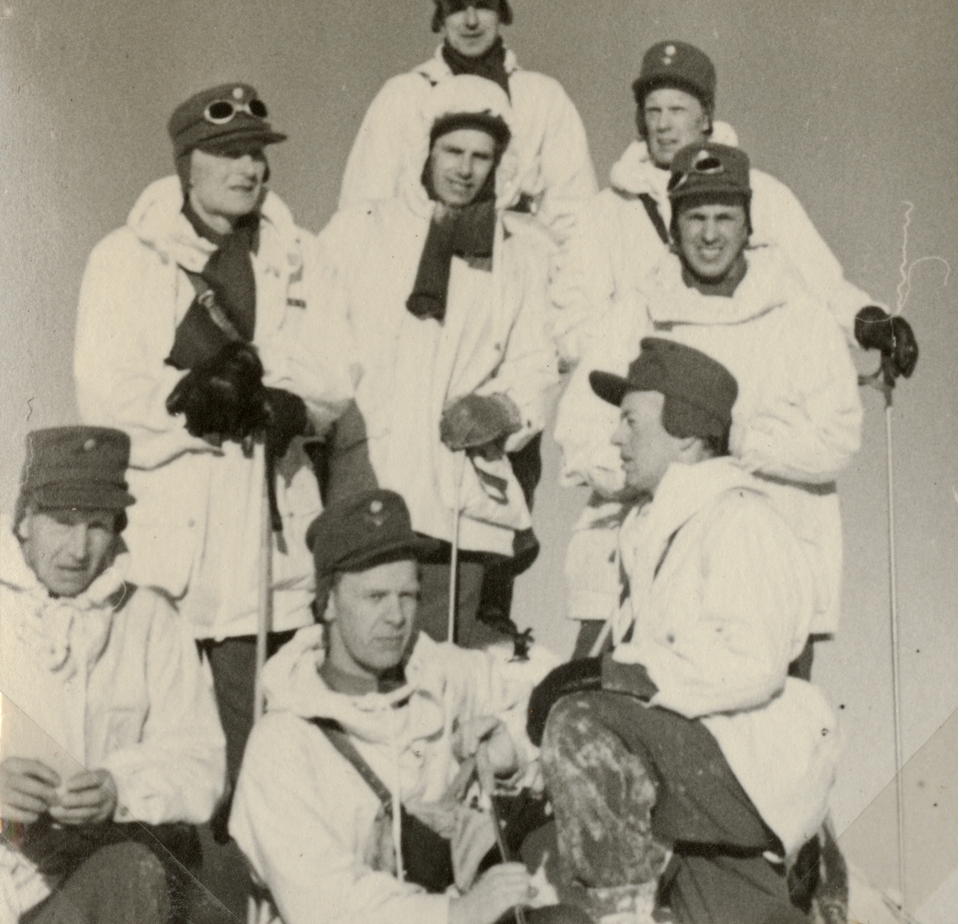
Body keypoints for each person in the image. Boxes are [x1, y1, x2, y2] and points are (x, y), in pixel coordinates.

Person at [74, 84, 351, 815]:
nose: (248, 168)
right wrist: (192, 402)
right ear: (186, 165)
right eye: (227, 153)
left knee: (260, 754)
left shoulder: (300, 256)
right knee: (158, 743)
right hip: (172, 546)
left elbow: (335, 371)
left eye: (257, 153)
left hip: (266, 543)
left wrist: (290, 403)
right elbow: (105, 392)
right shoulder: (126, 258)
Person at [529, 340, 840, 924]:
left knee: (580, 723)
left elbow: (749, 661)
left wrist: (617, 676)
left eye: (631, 421)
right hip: (705, 767)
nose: (616, 438)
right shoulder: (658, 526)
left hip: (745, 764)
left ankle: (619, 916)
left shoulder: (739, 518)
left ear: (688, 436)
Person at [556, 142, 863, 665]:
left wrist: (736, 439)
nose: (710, 234)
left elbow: (838, 440)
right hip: (645, 557)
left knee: (761, 704)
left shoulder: (801, 316)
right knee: (599, 699)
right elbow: (579, 432)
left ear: (749, 225)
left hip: (770, 561)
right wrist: (646, 474)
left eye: (725, 217)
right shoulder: (637, 311)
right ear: (673, 230)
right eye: (695, 217)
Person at [230, 488, 546, 924]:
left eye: (408, 595)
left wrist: (510, 746)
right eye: (375, 597)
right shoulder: (283, 741)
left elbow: (548, 705)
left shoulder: (441, 675)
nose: (397, 617)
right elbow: (324, 902)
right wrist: (455, 913)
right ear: (327, 602)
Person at [321, 76, 559, 646]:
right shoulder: (359, 230)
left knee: (442, 661)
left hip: (456, 488)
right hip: (368, 473)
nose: (465, 169)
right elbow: (319, 347)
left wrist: (503, 408)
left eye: (482, 156)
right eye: (453, 151)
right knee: (360, 651)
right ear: (425, 149)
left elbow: (535, 361)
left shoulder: (517, 255)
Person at [551, 40, 918, 379]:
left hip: (748, 391)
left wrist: (868, 321)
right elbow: (571, 331)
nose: (663, 125)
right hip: (649, 396)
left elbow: (821, 283)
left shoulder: (762, 194)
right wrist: (643, 344)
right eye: (653, 111)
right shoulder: (604, 214)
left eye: (677, 110)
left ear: (705, 117)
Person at [0, 427, 226, 924]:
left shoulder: (149, 619)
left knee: (136, 872)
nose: (79, 549)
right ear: (24, 519)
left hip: (102, 882)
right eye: (63, 522)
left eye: (98, 525)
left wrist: (120, 786)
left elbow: (200, 762)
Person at [338, 0, 597, 245]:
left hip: (517, 260)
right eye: (458, 7)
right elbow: (361, 210)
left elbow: (577, 214)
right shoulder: (402, 96)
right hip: (417, 257)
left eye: (483, 5)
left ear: (502, 11)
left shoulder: (543, 98)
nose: (471, 21)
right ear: (441, 17)